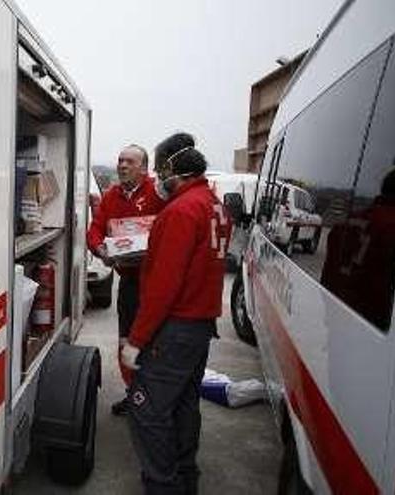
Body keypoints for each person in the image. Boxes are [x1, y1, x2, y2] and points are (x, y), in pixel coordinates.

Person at [120, 132, 231, 495]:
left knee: (148, 410)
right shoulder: (213, 204)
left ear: (172, 170)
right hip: (199, 327)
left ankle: (163, 486)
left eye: (160, 169)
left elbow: (164, 285)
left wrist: (136, 340)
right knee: (184, 406)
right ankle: (186, 480)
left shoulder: (181, 211)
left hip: (175, 329)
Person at [86, 144, 166, 416]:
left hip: (157, 284)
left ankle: (154, 399)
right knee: (126, 341)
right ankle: (134, 394)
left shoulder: (159, 192)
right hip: (129, 283)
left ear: (144, 168)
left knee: (154, 343)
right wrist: (100, 250)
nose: (122, 165)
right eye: (120, 160)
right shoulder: (111, 196)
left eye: (129, 161)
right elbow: (95, 229)